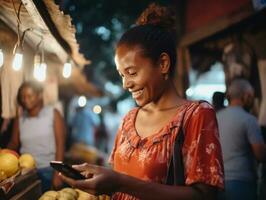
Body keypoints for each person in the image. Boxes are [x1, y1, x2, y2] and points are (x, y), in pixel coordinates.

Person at [59, 3, 224, 200]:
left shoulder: (196, 115)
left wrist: (120, 183)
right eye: (122, 75)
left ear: (163, 64)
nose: (126, 84)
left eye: (132, 73)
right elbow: (117, 177)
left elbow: (204, 196)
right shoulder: (128, 120)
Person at [7, 81, 66, 192]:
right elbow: (14, 143)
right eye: (23, 97)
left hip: (48, 170)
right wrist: (3, 154)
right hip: (27, 173)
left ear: (39, 95)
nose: (25, 99)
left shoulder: (53, 113)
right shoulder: (20, 118)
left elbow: (61, 145)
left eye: (29, 96)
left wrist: (58, 174)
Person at [216, 78, 266, 200]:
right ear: (246, 96)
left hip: (218, 183)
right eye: (251, 97)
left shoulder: (216, 117)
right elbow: (261, 154)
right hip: (242, 184)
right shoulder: (249, 120)